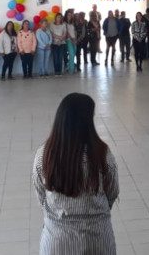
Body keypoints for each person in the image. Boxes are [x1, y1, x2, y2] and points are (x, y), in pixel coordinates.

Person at [33, 93, 119, 255]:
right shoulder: (102, 153)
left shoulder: (44, 154)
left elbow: (41, 195)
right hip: (98, 240)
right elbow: (112, 193)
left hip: (57, 242)